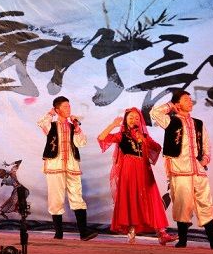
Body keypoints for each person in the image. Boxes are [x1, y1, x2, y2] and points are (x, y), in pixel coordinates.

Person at [150, 90, 213, 249]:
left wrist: (204, 160)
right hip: (179, 169)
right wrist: (170, 106)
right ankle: (182, 241)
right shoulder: (171, 121)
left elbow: (206, 144)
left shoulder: (198, 123)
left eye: (190, 99)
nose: (190, 102)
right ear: (177, 103)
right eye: (185, 99)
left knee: (206, 204)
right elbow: (154, 112)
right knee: (182, 204)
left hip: (198, 170)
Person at [97, 108, 178, 245]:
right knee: (131, 198)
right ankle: (131, 230)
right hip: (128, 169)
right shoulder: (121, 135)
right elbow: (102, 138)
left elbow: (157, 148)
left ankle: (162, 233)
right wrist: (113, 125)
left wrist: (144, 140)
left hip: (144, 169)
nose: (133, 120)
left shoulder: (144, 136)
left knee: (152, 199)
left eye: (136, 118)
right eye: (130, 118)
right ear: (125, 120)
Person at [37, 96, 97, 240]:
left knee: (77, 196)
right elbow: (42, 123)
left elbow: (81, 143)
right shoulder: (51, 125)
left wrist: (76, 126)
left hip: (72, 166)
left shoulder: (72, 126)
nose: (68, 109)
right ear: (57, 109)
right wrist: (50, 113)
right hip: (55, 165)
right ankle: (58, 233)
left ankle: (83, 233)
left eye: (69, 106)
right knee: (55, 199)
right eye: (65, 106)